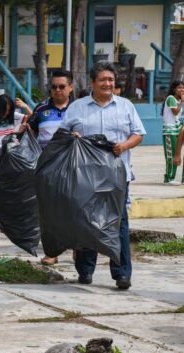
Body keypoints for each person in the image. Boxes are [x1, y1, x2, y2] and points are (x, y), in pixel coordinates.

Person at [61, 61, 146, 290]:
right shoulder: (78, 107)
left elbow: (138, 134)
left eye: (110, 80)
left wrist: (125, 145)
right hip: (85, 177)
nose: (108, 83)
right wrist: (73, 136)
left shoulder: (125, 106)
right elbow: (63, 133)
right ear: (92, 83)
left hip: (118, 177)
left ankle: (121, 274)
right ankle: (85, 271)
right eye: (103, 80)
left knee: (118, 224)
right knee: (85, 221)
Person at [22, 69, 74, 266]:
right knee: (49, 211)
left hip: (74, 168)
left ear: (71, 87)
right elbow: (31, 135)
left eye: (62, 86)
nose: (58, 90)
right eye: (54, 87)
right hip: (48, 169)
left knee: (75, 209)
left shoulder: (79, 108)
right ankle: (52, 251)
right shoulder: (41, 109)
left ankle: (79, 248)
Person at [161, 80, 184, 184]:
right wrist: (182, 102)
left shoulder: (178, 100)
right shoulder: (171, 98)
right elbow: (175, 112)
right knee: (171, 155)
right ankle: (169, 178)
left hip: (177, 130)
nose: (182, 90)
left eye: (183, 88)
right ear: (174, 89)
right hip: (170, 131)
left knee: (177, 153)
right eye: (179, 88)